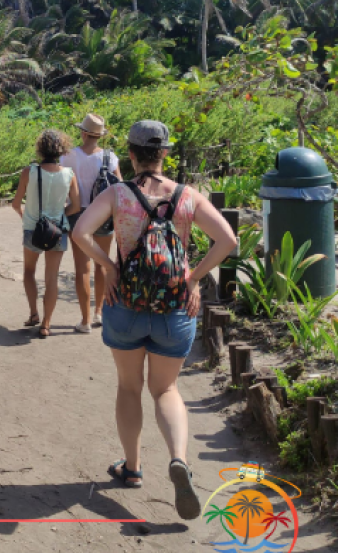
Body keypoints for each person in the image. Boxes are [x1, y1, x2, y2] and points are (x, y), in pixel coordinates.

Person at [72, 120, 236, 520]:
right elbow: (228, 240)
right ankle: (178, 459)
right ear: (164, 154)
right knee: (166, 390)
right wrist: (194, 279)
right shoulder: (186, 196)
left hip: (125, 304)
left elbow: (80, 231)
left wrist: (109, 267)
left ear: (130, 154)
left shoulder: (117, 193)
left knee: (130, 387)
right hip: (175, 307)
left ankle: (131, 468)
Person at [12, 130, 80, 338]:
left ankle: (33, 313)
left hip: (33, 228)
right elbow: (76, 206)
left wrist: (27, 216)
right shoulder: (69, 175)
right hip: (57, 231)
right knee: (52, 278)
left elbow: (15, 204)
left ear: (40, 149)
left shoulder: (29, 172)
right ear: (62, 149)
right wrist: (59, 217)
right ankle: (46, 324)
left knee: (29, 272)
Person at [61, 113, 123, 334]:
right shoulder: (110, 157)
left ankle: (85, 320)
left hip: (77, 214)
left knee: (82, 269)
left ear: (83, 132)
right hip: (103, 214)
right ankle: (100, 312)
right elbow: (120, 186)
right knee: (103, 265)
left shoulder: (68, 156)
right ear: (99, 135)